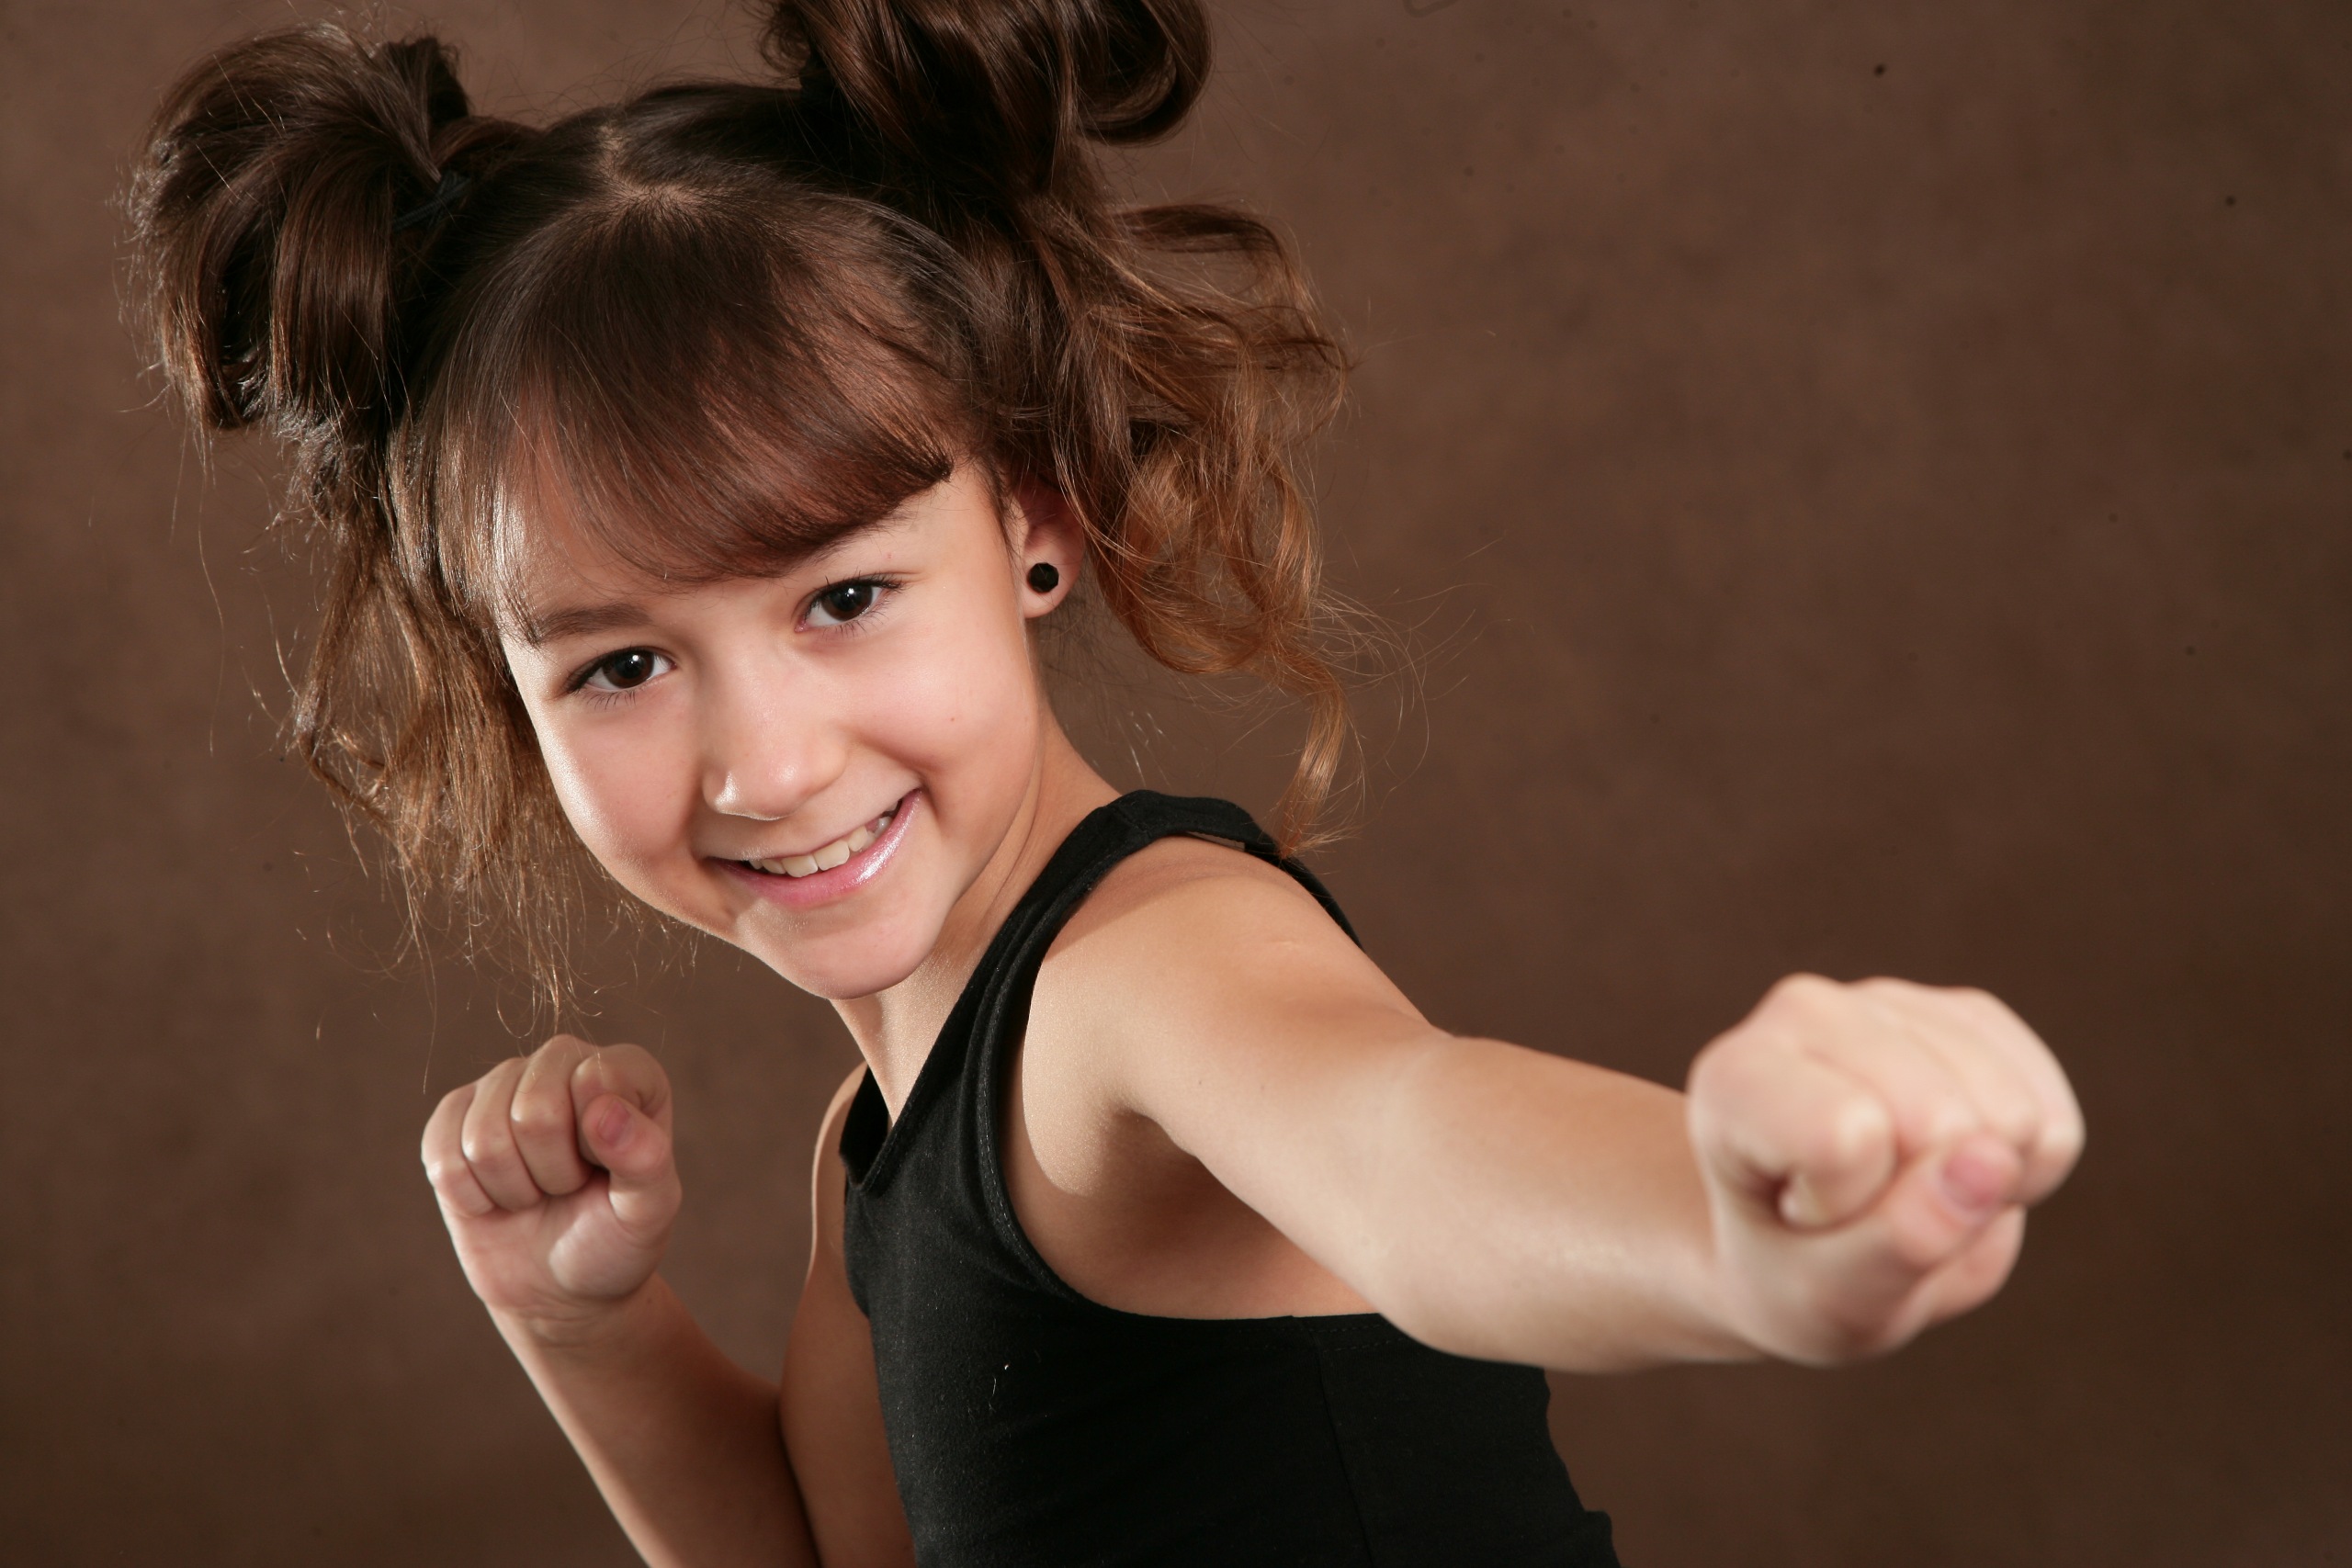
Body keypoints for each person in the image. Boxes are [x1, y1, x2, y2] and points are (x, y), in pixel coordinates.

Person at [127, 3, 2084, 1564]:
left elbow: (1409, 1147)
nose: (767, 761)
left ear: (1037, 518)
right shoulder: (881, 1126)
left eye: (844, 597)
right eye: (622, 664)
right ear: (513, 695)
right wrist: (585, 1322)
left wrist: (1734, 1237)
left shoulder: (1140, 976)